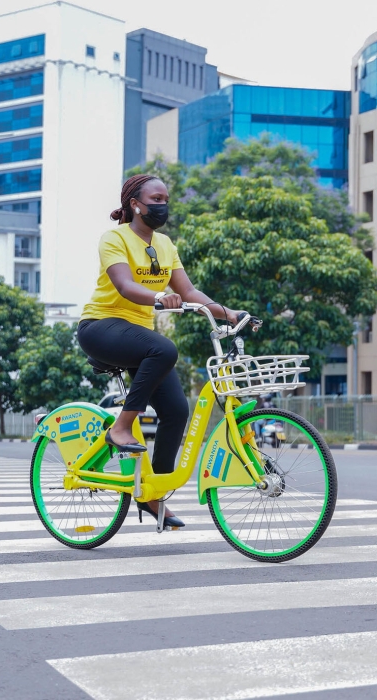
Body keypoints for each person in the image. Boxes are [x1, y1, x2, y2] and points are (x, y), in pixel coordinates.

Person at [78, 174, 247, 529]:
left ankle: (153, 494)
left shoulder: (166, 244)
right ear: (135, 204)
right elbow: (124, 285)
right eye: (155, 198)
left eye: (166, 198)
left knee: (175, 411)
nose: (162, 205)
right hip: (100, 327)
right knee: (164, 348)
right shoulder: (115, 238)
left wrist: (227, 312)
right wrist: (158, 297)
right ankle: (121, 428)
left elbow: (188, 291)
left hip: (138, 337)